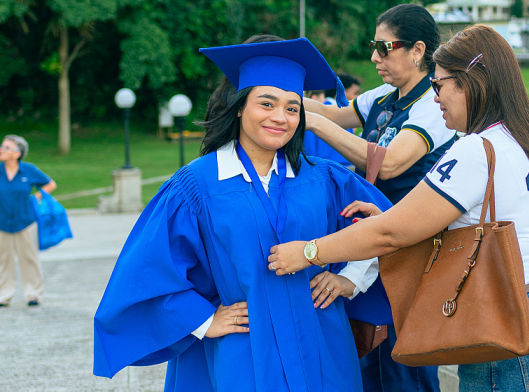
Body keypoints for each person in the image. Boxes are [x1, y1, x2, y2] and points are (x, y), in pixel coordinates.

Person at [268, 25, 529, 392]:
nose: (435, 97)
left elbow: (390, 234)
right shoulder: (518, 137)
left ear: (469, 83)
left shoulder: (474, 150)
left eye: (438, 85)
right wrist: (391, 219)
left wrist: (308, 252)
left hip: (512, 318)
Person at [93, 37, 392, 392]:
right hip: (242, 349)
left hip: (322, 342)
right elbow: (149, 268)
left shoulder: (324, 178)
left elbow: (387, 228)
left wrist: (352, 277)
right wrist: (204, 320)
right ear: (239, 107)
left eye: (292, 108)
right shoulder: (197, 185)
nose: (280, 117)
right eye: (266, 103)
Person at [303, 3, 454, 392]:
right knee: (371, 368)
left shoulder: (433, 103)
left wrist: (314, 122)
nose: (375, 57)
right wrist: (281, 98)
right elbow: (335, 116)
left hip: (411, 254)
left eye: (384, 47)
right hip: (374, 246)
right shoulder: (385, 96)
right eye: (374, 47)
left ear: (417, 50)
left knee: (406, 372)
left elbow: (388, 163)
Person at [0, 135, 57, 307]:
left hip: (26, 221)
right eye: (2, 146)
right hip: (2, 222)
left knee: (29, 258)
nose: (2, 150)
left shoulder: (28, 170)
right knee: (3, 260)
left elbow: (50, 184)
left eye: (6, 147)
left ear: (17, 153)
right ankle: (4, 295)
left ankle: (33, 294)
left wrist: (36, 197)